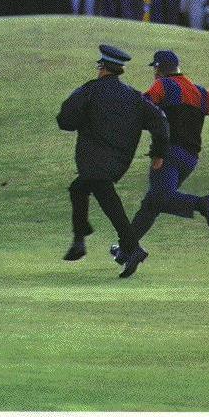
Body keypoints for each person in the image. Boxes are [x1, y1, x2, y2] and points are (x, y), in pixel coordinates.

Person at [57, 45, 169, 278]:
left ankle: (132, 248)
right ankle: (80, 239)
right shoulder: (134, 97)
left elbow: (65, 120)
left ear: (102, 68)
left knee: (107, 200)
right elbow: (160, 121)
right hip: (119, 161)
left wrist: (83, 119)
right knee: (79, 188)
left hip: (93, 159)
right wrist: (158, 153)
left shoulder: (89, 91)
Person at [129, 50, 209, 244]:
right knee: (154, 202)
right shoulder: (201, 93)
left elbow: (144, 106)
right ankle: (126, 249)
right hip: (190, 160)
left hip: (168, 154)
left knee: (160, 198)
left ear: (158, 69)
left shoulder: (162, 85)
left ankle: (202, 203)